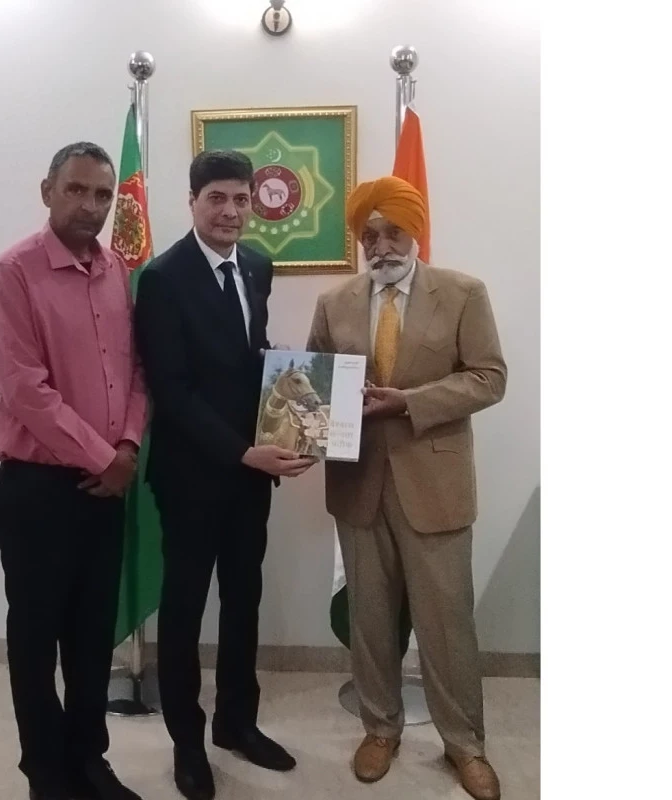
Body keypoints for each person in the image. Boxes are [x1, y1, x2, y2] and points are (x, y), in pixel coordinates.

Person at [305, 175, 508, 800]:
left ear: (415, 231)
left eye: (393, 232)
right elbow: (313, 385)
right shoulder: (334, 302)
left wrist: (409, 402)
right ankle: (380, 728)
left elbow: (489, 378)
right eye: (369, 236)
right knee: (370, 619)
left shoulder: (463, 293)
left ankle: (465, 744)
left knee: (447, 622)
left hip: (435, 484)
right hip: (358, 484)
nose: (381, 246)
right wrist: (295, 426)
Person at [133, 149, 315, 800]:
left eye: (241, 199)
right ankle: (187, 742)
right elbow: (173, 391)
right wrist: (243, 452)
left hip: (250, 475)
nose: (231, 211)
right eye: (217, 198)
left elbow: (246, 360)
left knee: (244, 599)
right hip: (191, 476)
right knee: (185, 610)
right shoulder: (162, 278)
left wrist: (297, 398)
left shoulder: (258, 266)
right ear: (192, 201)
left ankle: (237, 723)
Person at [0, 141, 147, 800]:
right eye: (76, 190)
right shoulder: (12, 274)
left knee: (91, 636)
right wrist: (106, 458)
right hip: (39, 490)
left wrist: (126, 446)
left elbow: (135, 371)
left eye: (102, 194)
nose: (90, 205)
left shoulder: (115, 272)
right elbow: (25, 390)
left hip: (107, 486)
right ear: (47, 191)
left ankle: (88, 761)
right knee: (35, 639)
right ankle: (45, 774)